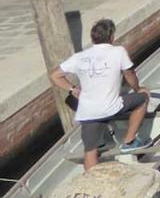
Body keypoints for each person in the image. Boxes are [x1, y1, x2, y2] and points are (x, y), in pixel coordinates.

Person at [49, 18, 149, 169]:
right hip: (112, 108)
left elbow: (54, 75)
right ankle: (129, 141)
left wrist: (72, 89)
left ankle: (91, 186)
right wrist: (137, 89)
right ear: (112, 37)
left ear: (93, 38)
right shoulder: (118, 51)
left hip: (88, 113)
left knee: (90, 152)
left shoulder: (79, 56)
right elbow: (129, 74)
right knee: (143, 98)